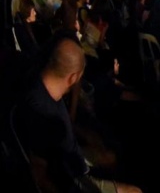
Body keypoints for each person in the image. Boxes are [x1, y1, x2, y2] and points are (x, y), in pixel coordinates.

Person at [15, 37, 142, 193]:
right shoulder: (43, 115)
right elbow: (40, 175)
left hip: (73, 155)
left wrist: (81, 133)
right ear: (73, 78)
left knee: (108, 153)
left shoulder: (42, 83)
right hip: (72, 177)